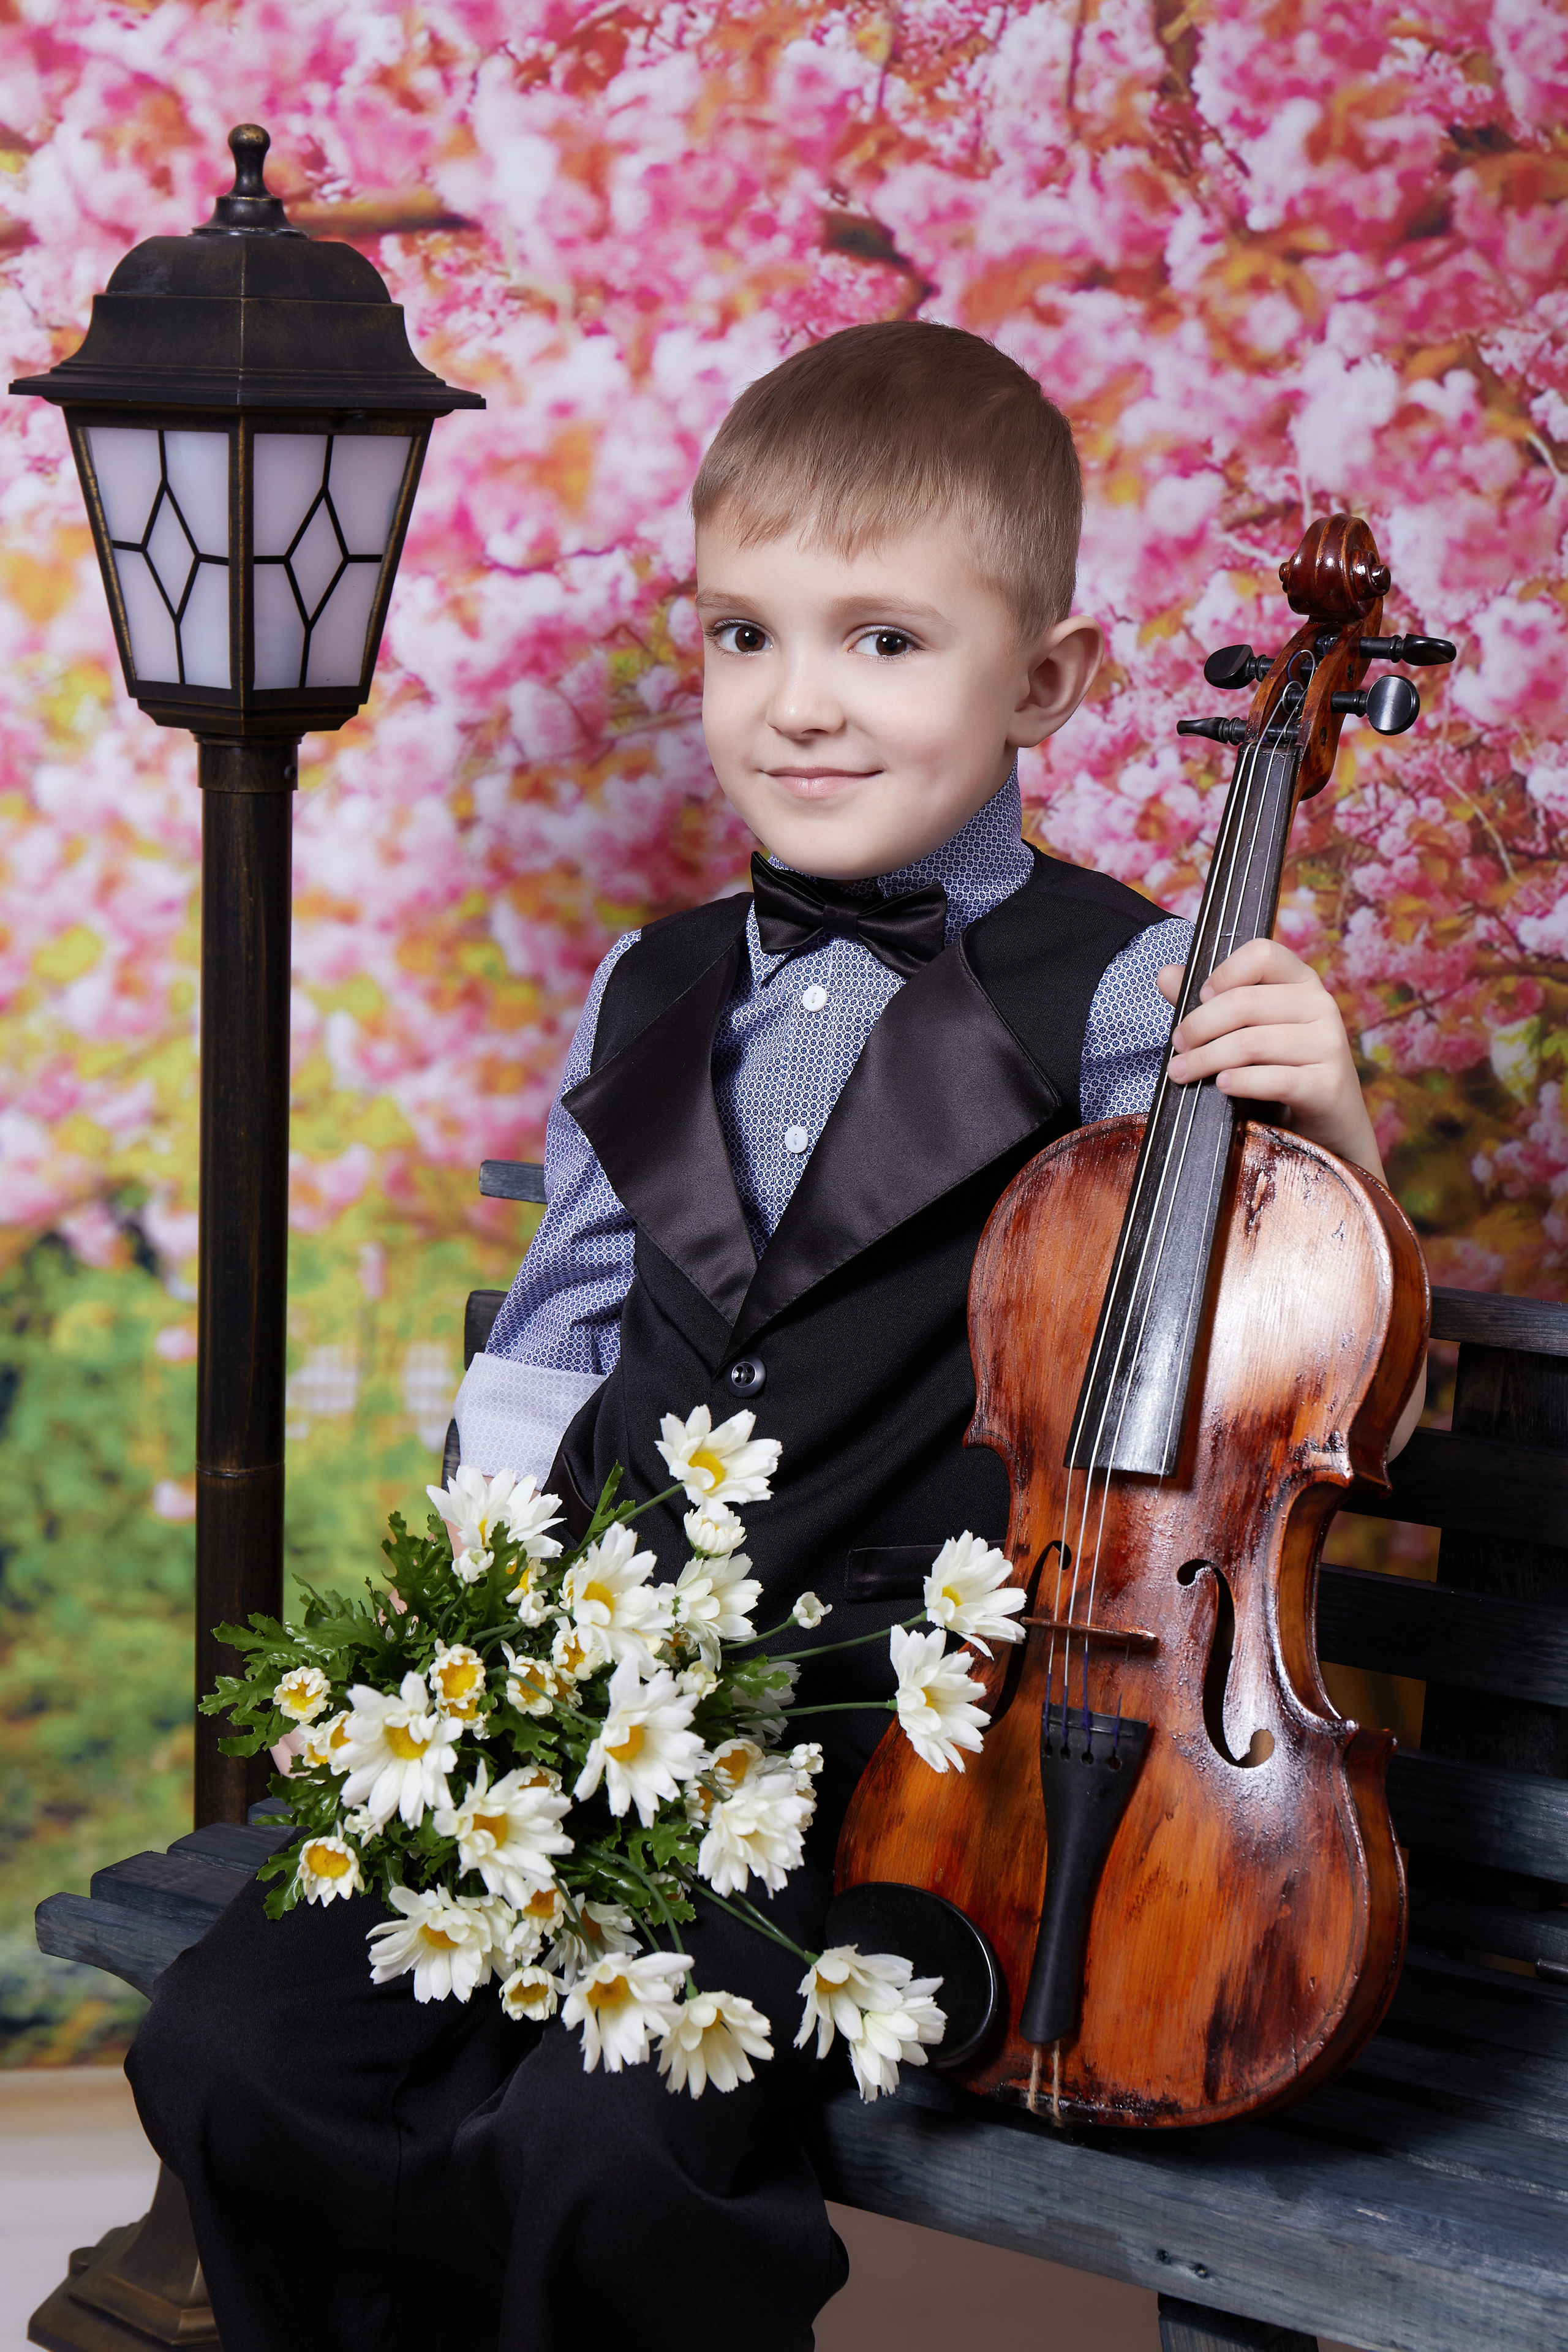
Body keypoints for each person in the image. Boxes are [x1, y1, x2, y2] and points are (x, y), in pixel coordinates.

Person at [128, 321, 1422, 2352]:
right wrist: (476, 1636)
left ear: (1050, 682)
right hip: (586, 1693)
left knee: (604, 2145)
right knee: (233, 2043)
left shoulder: (1123, 987)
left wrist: (1328, 1125)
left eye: (884, 644)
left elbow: (1292, 1351)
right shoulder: (648, 980)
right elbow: (562, 1320)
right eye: (746, 637)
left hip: (876, 1751)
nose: (800, 705)